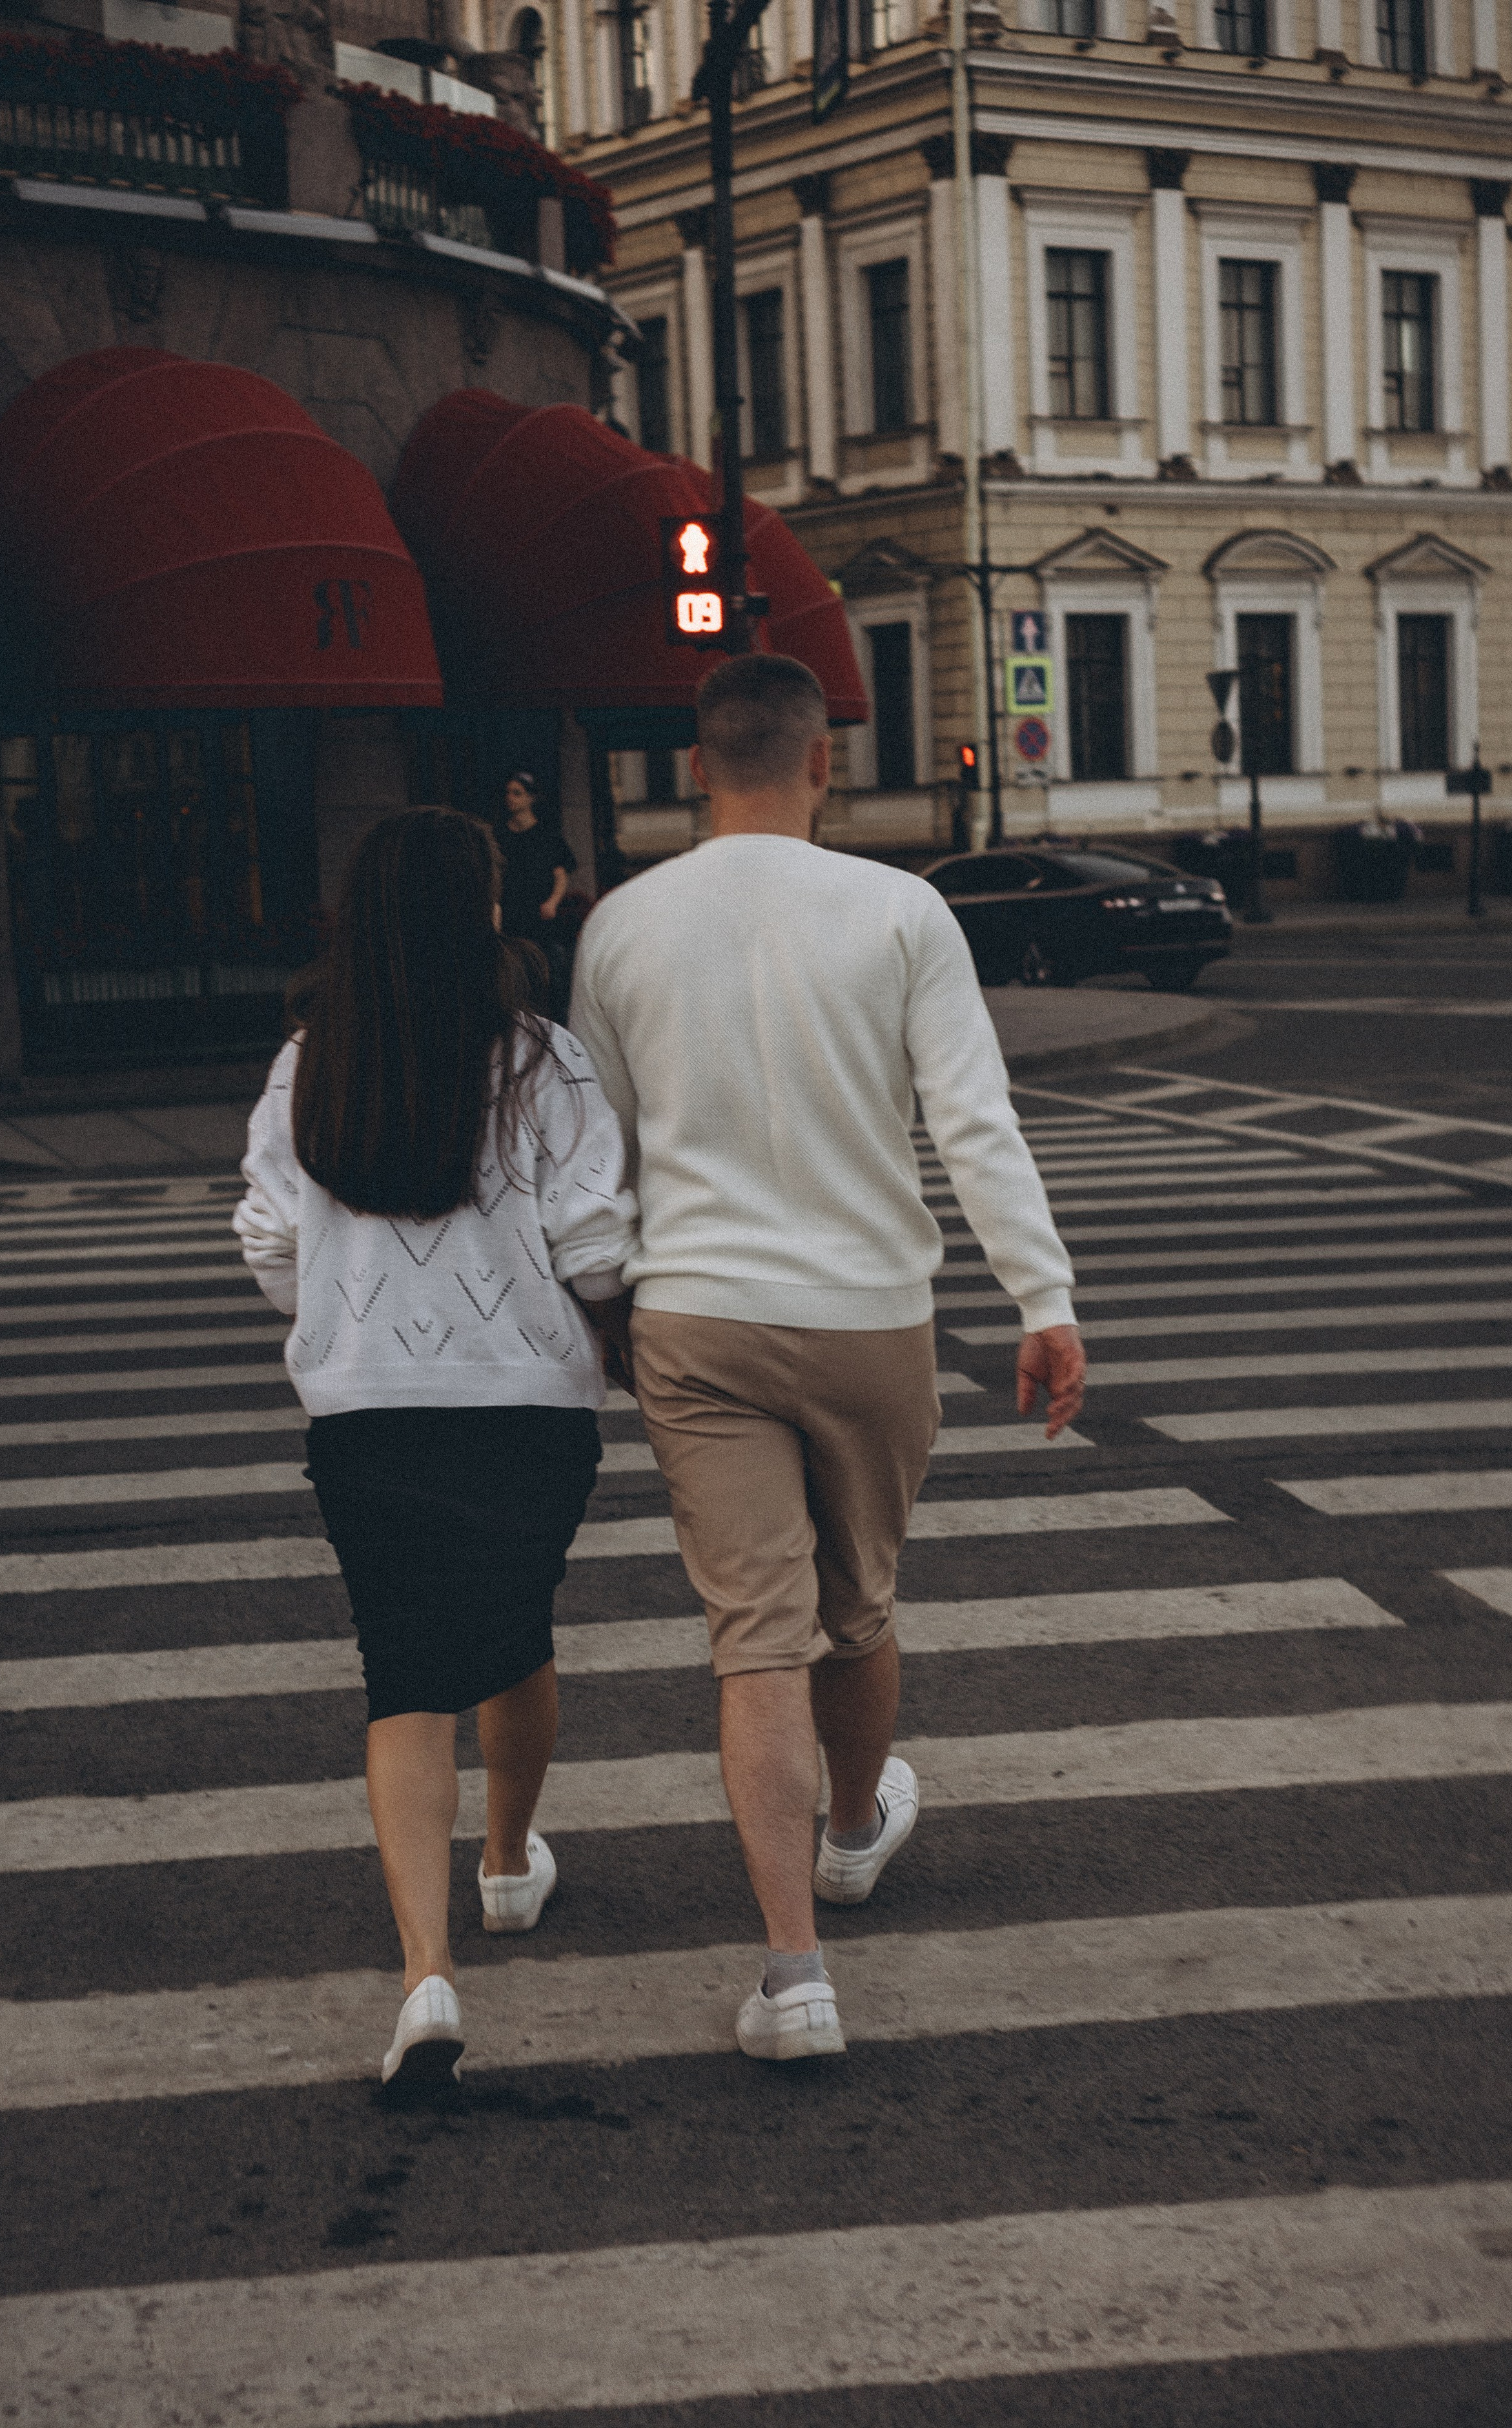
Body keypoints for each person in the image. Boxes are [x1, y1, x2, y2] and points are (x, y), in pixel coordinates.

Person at [570, 655, 1085, 2064]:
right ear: (821, 763)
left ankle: (793, 1978)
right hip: (869, 1317)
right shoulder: (902, 910)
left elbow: (598, 1151)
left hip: (696, 1316)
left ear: (695, 768)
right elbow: (972, 1120)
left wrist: (603, 1302)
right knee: (857, 1611)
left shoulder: (619, 926)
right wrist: (1042, 1301)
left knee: (754, 1644)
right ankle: (854, 1831)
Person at [234, 808, 635, 2089]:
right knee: (514, 1632)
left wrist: (343, 1308)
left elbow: (269, 1242)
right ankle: (508, 1863)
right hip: (527, 1404)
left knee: (402, 1675)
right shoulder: (541, 1059)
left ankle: (426, 1973)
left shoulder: (310, 1064)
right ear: (481, 912)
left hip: (368, 1410)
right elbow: (593, 1246)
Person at [496, 769, 578, 1021]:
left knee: (550, 975)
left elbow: (561, 874)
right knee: (515, 977)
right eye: (509, 793)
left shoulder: (547, 835)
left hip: (541, 919)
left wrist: (553, 902)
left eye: (517, 793)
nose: (511, 798)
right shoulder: (500, 836)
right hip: (512, 917)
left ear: (531, 798)